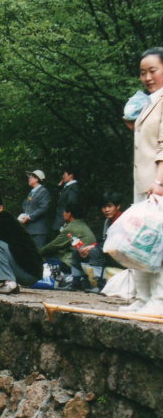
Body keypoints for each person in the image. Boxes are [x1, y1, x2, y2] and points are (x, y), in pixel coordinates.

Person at [120, 48, 163, 314]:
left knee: (159, 243)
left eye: (153, 70)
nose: (147, 77)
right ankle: (142, 297)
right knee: (140, 242)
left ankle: (159, 299)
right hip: (142, 184)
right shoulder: (149, 101)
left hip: (157, 185)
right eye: (142, 72)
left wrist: (160, 182)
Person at [70, 192, 123, 291]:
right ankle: (75, 282)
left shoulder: (122, 220)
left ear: (118, 206)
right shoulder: (107, 221)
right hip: (107, 250)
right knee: (78, 250)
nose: (106, 210)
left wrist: (95, 247)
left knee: (95, 251)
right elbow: (103, 239)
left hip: (119, 254)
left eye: (109, 206)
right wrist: (87, 247)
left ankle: (97, 284)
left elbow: (116, 241)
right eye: (104, 207)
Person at [40, 201, 95, 271]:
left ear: (69, 214)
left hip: (72, 263)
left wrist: (37, 253)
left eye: (64, 212)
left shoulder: (70, 228)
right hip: (86, 262)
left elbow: (53, 246)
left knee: (43, 262)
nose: (63, 214)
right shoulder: (82, 224)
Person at [18, 170, 51, 248]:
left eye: (31, 177)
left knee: (38, 254)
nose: (29, 179)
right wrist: (23, 215)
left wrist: (29, 217)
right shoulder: (32, 192)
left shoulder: (43, 191)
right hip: (29, 229)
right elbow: (25, 205)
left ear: (37, 179)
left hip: (38, 231)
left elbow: (43, 208)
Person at [52, 168, 81, 234]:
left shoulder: (74, 187)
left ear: (71, 175)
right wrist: (59, 186)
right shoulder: (67, 187)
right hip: (61, 221)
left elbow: (72, 203)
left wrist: (66, 221)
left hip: (65, 222)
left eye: (64, 174)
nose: (63, 176)